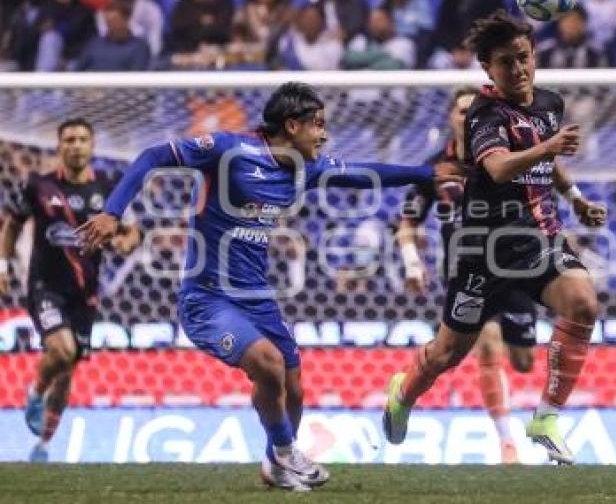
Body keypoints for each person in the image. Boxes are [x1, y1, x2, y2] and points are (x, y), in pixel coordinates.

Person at [76, 82, 460, 491]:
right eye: (317, 125)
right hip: (207, 298)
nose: (324, 134)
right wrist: (113, 212)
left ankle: (276, 463)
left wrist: (427, 173)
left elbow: (367, 175)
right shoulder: (227, 150)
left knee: (293, 388)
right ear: (292, 125)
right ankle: (285, 453)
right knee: (268, 363)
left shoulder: (306, 168)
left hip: (258, 298)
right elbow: (154, 156)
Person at [383, 10, 603, 464]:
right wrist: (549, 146)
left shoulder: (548, 104)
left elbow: (549, 161)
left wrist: (576, 197)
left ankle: (545, 419)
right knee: (447, 354)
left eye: (523, 58)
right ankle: (402, 394)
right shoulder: (485, 113)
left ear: (534, 55)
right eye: (506, 62)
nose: (519, 69)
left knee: (583, 303)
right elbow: (501, 166)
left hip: (540, 240)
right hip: (484, 256)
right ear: (488, 69)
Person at [0, 118, 140, 462]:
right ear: (59, 146)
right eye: (69, 139)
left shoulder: (110, 188)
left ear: (92, 146)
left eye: (82, 139)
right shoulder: (38, 185)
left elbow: (132, 231)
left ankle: (44, 445)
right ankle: (34, 393)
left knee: (66, 373)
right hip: (44, 285)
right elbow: (11, 227)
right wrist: (2, 265)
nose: (76, 145)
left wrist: (125, 242)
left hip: (85, 293)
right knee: (62, 351)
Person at [77, 1, 150, 71]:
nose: (110, 26)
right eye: (107, 22)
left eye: (114, 21)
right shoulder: (95, 44)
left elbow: (137, 76)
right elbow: (77, 70)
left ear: (126, 19)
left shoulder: (139, 47)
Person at [343, 6, 416, 70]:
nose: (374, 24)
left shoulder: (404, 43)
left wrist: (363, 67)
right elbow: (349, 59)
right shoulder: (360, 40)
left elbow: (394, 66)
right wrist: (383, 54)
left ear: (391, 23)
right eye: (371, 21)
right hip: (362, 85)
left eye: (379, 20)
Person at [536, 6, 604, 69]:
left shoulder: (594, 53)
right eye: (567, 21)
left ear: (583, 24)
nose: (571, 25)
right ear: (559, 24)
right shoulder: (546, 51)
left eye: (575, 20)